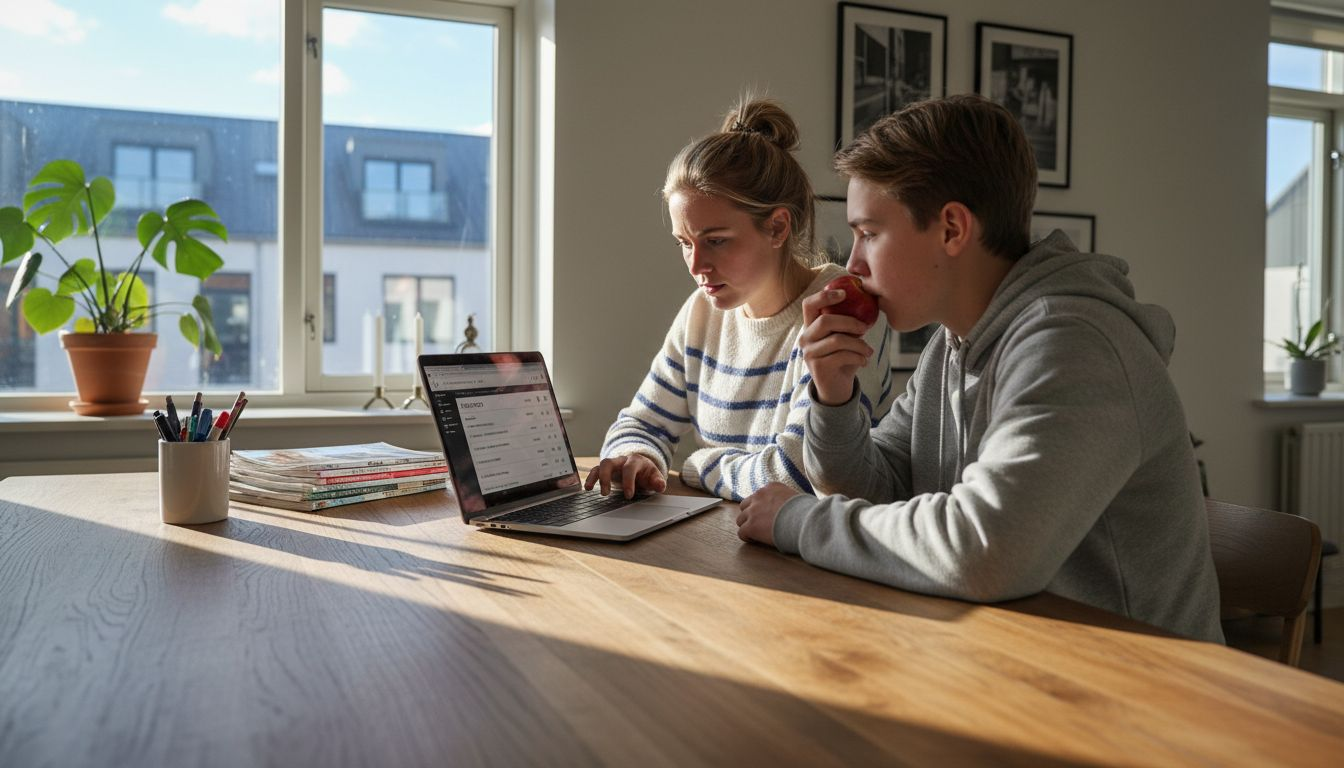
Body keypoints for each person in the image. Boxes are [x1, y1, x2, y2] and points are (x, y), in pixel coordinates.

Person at [734, 94, 1223, 643]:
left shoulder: (1076, 343)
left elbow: (983, 553)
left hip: (1142, 701)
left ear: (951, 229)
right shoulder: (954, 342)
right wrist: (834, 396)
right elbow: (879, 491)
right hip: (1007, 661)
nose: (852, 264)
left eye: (869, 233)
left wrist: (797, 522)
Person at [585, 98, 894, 502]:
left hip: (814, 558)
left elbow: (800, 477)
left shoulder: (838, 309)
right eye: (685, 243)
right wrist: (637, 457)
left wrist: (702, 464)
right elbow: (641, 424)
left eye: (716, 241)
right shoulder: (700, 312)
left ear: (777, 227)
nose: (697, 265)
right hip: (735, 543)